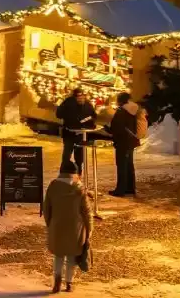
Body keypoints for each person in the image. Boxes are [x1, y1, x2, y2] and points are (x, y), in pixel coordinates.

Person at [41, 163, 93, 293]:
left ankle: (57, 283)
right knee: (71, 257)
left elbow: (46, 207)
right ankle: (69, 283)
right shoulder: (79, 188)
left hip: (57, 225)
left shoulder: (53, 186)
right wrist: (89, 229)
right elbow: (87, 212)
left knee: (58, 256)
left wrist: (50, 223)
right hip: (76, 227)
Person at [105, 91, 145, 197]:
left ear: (120, 101)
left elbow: (116, 128)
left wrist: (107, 129)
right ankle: (130, 188)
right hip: (131, 141)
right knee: (129, 165)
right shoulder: (133, 110)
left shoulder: (121, 111)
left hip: (123, 142)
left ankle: (120, 190)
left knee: (122, 165)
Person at [56, 87, 98, 174]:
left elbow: (58, 114)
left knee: (67, 153)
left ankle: (64, 172)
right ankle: (78, 173)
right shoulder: (87, 103)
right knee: (78, 155)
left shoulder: (67, 102)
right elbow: (94, 116)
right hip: (80, 133)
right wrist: (86, 121)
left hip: (70, 132)